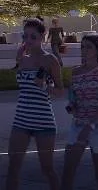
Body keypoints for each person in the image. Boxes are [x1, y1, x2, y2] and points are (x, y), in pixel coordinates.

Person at [7, 18, 63, 190]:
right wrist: (19, 58)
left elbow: (60, 91)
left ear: (42, 36)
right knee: (13, 168)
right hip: (21, 120)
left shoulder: (51, 60)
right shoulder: (23, 60)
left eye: (33, 36)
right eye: (25, 36)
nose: (28, 40)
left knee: (47, 169)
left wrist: (46, 85)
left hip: (43, 121)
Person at [60, 34, 98, 190]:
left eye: (89, 46)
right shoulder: (76, 72)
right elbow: (74, 96)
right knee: (68, 170)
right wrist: (72, 106)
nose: (84, 50)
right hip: (77, 125)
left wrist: (89, 126)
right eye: (82, 46)